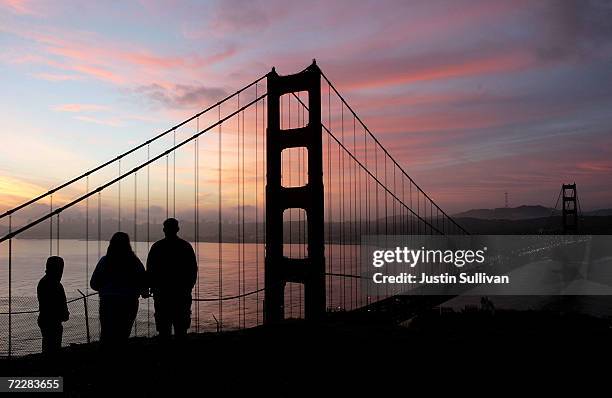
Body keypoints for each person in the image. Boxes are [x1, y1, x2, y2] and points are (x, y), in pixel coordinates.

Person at [90, 232, 147, 347]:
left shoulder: (104, 262)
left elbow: (94, 284)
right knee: (123, 335)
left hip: (108, 302)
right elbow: (144, 283)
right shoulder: (135, 263)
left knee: (106, 335)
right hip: (129, 303)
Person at [147, 218, 197, 339]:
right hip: (182, 294)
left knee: (164, 329)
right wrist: (187, 288)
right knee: (181, 329)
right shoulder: (186, 246)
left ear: (164, 230)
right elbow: (192, 270)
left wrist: (151, 287)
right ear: (177, 229)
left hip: (161, 294)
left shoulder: (156, 247)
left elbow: (150, 271)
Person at [37, 256, 69, 354]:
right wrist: (65, 314)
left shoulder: (43, 282)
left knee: (47, 345)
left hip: (45, 320)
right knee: (54, 347)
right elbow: (61, 306)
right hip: (53, 321)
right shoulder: (56, 285)